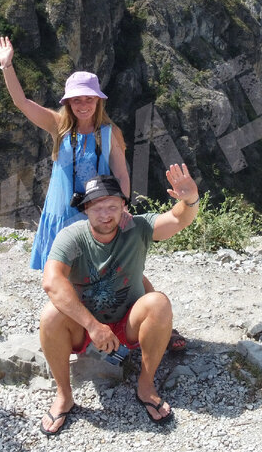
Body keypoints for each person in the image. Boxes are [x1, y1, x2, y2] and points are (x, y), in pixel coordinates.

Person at [0, 36, 189, 351]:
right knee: (66, 278)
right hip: (63, 215)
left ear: (99, 101)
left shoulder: (109, 133)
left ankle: (157, 324)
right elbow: (22, 103)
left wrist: (123, 207)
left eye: (89, 99)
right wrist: (7, 66)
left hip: (99, 213)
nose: (83, 105)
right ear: (68, 102)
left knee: (128, 270)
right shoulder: (59, 126)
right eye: (76, 100)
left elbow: (122, 172)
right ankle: (75, 330)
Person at [37, 165, 200, 435]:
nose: (105, 214)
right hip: (85, 328)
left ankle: (146, 386)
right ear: (86, 209)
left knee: (158, 302)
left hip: (128, 323)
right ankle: (64, 395)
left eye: (112, 206)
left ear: (124, 206)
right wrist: (92, 326)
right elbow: (52, 281)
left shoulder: (137, 228)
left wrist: (190, 199)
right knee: (50, 315)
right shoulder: (72, 237)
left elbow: (177, 220)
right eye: (97, 207)